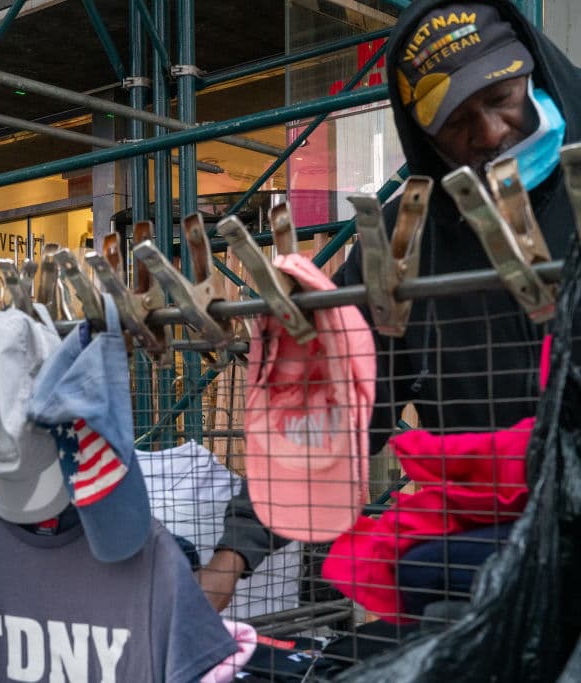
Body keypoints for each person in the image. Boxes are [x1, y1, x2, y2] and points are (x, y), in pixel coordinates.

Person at [200, 0, 581, 614]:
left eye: (501, 95)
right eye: (457, 121)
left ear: (531, 70)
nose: (488, 132)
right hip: (488, 551)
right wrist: (233, 554)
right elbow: (340, 410)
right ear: (424, 136)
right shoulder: (408, 245)